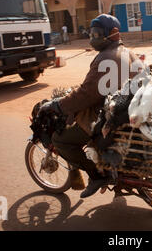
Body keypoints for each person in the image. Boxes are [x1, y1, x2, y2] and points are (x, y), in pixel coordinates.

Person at [39, 14, 142, 198]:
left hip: (105, 116)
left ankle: (96, 176)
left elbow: (86, 95)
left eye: (97, 33)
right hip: (128, 109)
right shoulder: (129, 53)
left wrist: (59, 105)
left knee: (61, 140)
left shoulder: (105, 58)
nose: (93, 38)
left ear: (114, 33)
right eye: (92, 33)